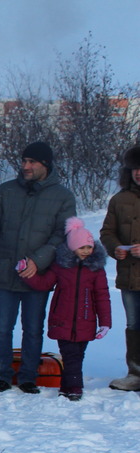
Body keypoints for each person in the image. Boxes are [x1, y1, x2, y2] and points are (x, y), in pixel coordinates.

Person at [0, 141, 76, 394]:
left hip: (37, 276)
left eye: (32, 162)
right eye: (24, 161)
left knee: (33, 328)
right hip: (5, 271)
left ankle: (29, 376)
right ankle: (2, 375)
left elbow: (61, 235)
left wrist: (38, 261)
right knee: (2, 326)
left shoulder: (62, 196)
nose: (26, 166)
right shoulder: (6, 191)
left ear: (46, 165)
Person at [23, 217, 111, 400]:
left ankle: (66, 386)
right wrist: (25, 273)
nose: (86, 251)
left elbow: (102, 296)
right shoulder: (61, 267)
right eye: (82, 247)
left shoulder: (96, 269)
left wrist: (105, 323)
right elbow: (43, 283)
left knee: (77, 355)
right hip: (62, 320)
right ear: (72, 247)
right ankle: (75, 388)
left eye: (89, 247)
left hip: (86, 321)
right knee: (70, 355)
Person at [101, 145, 140, 391]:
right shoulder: (119, 199)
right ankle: (135, 374)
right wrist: (114, 248)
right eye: (135, 168)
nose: (139, 173)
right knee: (134, 325)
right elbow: (107, 232)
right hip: (129, 277)